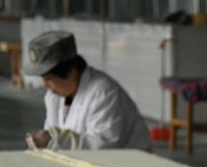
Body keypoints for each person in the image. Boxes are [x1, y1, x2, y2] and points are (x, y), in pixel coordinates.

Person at [22, 30, 151, 151]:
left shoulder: (104, 93)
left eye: (50, 79)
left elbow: (101, 147)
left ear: (71, 71)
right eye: (43, 79)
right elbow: (54, 133)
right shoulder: (54, 97)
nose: (46, 86)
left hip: (128, 164)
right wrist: (44, 141)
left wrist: (54, 140)